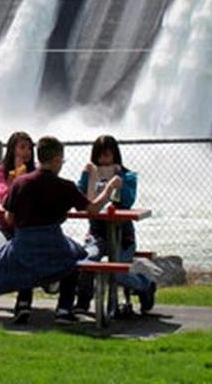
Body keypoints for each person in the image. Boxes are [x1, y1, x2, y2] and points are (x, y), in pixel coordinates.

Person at [0, 135, 121, 324]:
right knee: (76, 258)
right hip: (53, 245)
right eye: (61, 161)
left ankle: (23, 304)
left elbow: (10, 219)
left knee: (27, 259)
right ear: (56, 160)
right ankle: (64, 308)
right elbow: (93, 209)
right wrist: (109, 188)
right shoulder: (66, 186)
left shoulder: (19, 184)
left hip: (23, 247)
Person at [74, 134, 156, 315]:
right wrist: (87, 176)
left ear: (115, 156)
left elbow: (127, 202)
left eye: (107, 156)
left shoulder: (128, 176)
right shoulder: (90, 174)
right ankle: (83, 300)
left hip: (123, 237)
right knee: (86, 261)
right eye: (99, 157)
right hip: (97, 235)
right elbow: (80, 201)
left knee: (118, 273)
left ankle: (145, 285)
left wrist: (119, 180)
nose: (103, 161)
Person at [0, 131, 36, 324]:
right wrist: (16, 181)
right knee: (5, 251)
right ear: (12, 150)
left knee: (25, 252)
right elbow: (5, 198)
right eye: (22, 147)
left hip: (28, 228)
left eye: (29, 148)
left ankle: (24, 302)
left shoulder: (37, 172)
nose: (26, 152)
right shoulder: (2, 171)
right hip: (4, 227)